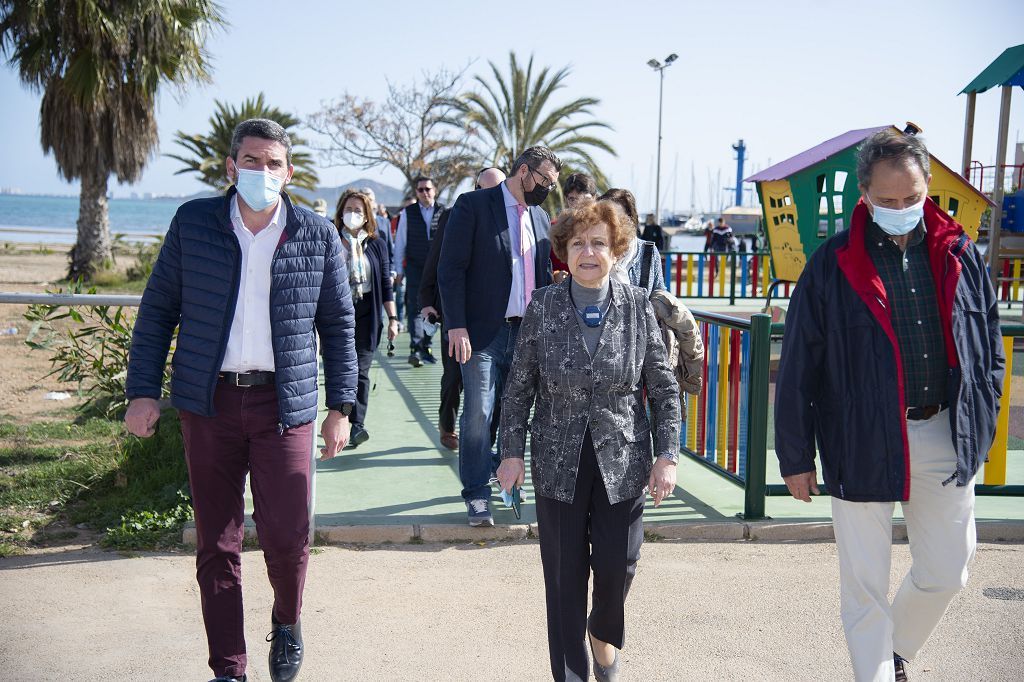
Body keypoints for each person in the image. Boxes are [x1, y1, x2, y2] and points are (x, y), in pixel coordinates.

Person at [124, 118, 357, 682]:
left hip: (285, 406)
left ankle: (287, 619)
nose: (262, 171)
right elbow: (158, 310)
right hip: (211, 405)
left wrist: (341, 408)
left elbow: (339, 325)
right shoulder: (194, 223)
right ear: (231, 167)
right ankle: (229, 666)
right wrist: (142, 391)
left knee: (286, 535)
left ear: (289, 172)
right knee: (217, 541)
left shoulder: (315, 234)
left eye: (273, 163)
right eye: (251, 161)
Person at [775, 129, 1004, 682]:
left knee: (949, 569)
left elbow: (989, 347)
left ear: (928, 188)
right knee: (863, 583)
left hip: (944, 433)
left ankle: (893, 649)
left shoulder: (960, 255)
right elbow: (800, 364)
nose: (901, 209)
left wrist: (983, 415)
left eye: (912, 198)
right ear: (864, 194)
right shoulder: (831, 265)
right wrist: (795, 455)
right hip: (860, 435)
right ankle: (875, 672)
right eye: (887, 200)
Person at [496, 199, 680, 681]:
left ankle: (603, 635)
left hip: (624, 461)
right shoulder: (543, 306)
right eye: (578, 243)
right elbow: (519, 387)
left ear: (618, 249)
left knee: (620, 565)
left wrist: (667, 456)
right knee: (563, 580)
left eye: (599, 242)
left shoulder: (640, 307)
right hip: (558, 462)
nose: (589, 252)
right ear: (564, 252)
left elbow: (662, 387)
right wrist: (510, 454)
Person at [438, 146, 558, 527]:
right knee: (478, 413)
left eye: (552, 185)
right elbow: (450, 268)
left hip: (525, 334)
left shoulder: (540, 217)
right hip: (480, 335)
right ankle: (476, 495)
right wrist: (456, 324)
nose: (547, 190)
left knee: (514, 416)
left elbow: (539, 277)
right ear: (523, 171)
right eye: (544, 181)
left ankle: (509, 484)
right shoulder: (473, 206)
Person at [419, 167, 507, 451]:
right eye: (485, 189)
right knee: (454, 376)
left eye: (498, 189)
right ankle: (448, 425)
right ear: (475, 189)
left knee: (493, 384)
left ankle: (483, 443)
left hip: (495, 318)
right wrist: (426, 301)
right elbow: (438, 261)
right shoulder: (455, 214)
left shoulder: (513, 218)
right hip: (456, 312)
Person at [335, 189, 399, 449]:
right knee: (340, 371)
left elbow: (385, 284)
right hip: (337, 315)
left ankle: (356, 424)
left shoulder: (377, 243)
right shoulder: (330, 240)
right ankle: (339, 417)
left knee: (361, 371)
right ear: (340, 212)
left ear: (367, 216)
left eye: (358, 211)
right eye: (348, 210)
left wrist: (393, 318)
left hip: (367, 314)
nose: (352, 215)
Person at [394, 176, 445, 367]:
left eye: (428, 189)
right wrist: (398, 269)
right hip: (415, 267)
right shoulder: (408, 213)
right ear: (416, 192)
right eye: (420, 190)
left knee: (434, 308)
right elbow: (400, 242)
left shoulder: (445, 211)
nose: (424, 193)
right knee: (415, 306)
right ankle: (415, 348)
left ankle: (427, 346)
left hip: (438, 268)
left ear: (435, 190)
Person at [598, 188, 666, 295]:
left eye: (616, 218)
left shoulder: (648, 251)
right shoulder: (592, 250)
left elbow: (659, 292)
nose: (610, 223)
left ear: (630, 219)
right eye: (604, 216)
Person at [552, 173, 597, 284]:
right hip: (564, 295)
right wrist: (555, 275)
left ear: (595, 198)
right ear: (566, 199)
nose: (579, 204)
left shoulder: (606, 229)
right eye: (573, 199)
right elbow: (543, 265)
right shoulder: (553, 229)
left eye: (585, 199)